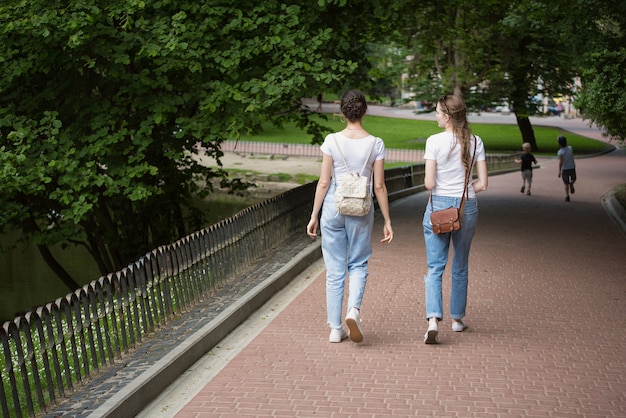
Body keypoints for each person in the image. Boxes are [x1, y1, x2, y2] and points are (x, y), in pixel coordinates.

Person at [306, 90, 393, 343]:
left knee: (334, 269)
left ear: (342, 112)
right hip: (361, 208)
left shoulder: (332, 140)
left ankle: (335, 328)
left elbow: (324, 182)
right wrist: (387, 220)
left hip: (334, 204)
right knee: (358, 262)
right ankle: (353, 310)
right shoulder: (375, 143)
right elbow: (379, 186)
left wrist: (314, 214)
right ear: (364, 111)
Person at [422, 94, 488, 344]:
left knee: (435, 266)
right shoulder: (475, 141)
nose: (435, 115)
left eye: (438, 112)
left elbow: (429, 183)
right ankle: (457, 319)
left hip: (439, 207)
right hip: (466, 205)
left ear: (447, 117)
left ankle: (432, 320)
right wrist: (466, 189)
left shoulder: (433, 141)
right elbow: (483, 183)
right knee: (460, 264)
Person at [557, 135, 576, 202]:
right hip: (572, 167)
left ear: (559, 143)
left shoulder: (560, 152)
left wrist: (559, 171)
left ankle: (567, 195)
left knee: (566, 183)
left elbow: (560, 162)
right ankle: (572, 183)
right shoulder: (570, 148)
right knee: (574, 178)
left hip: (565, 169)